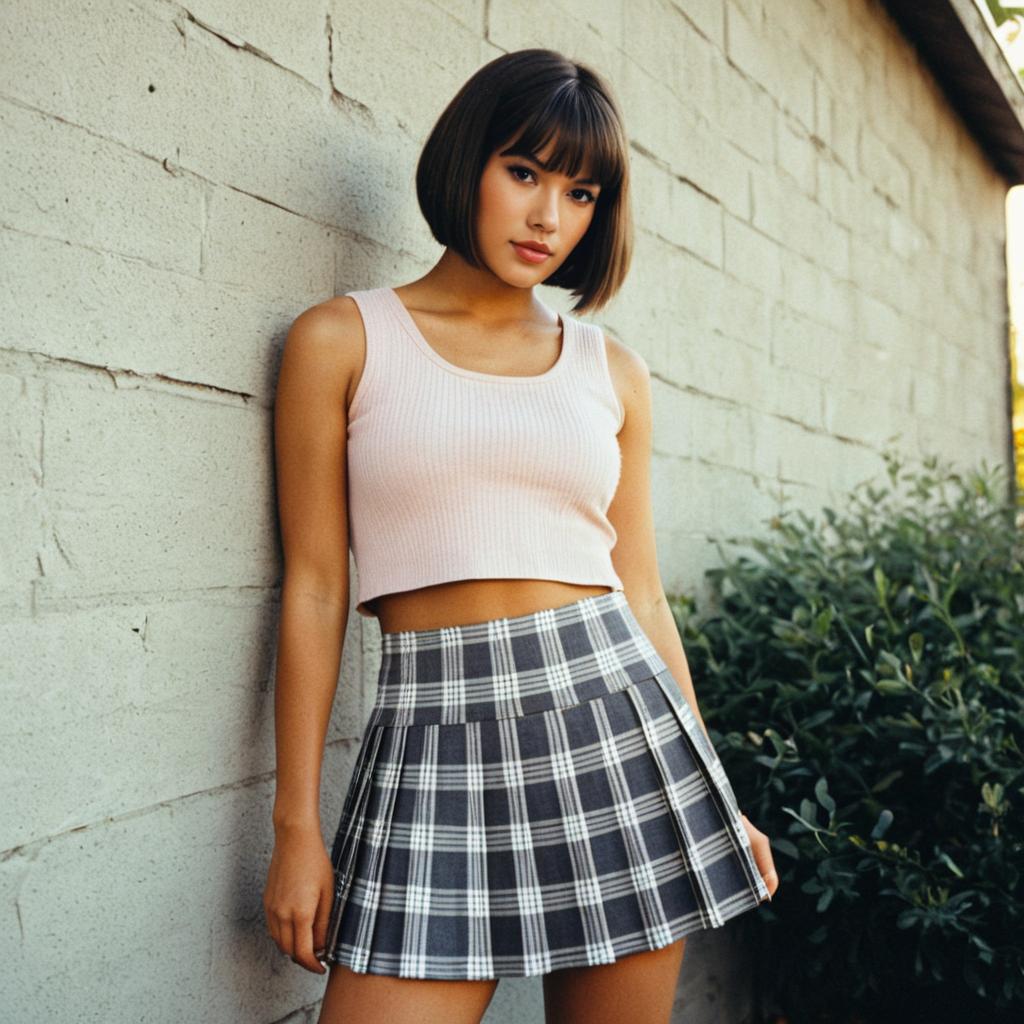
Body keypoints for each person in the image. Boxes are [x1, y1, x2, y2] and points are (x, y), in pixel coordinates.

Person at [264, 47, 779, 1024]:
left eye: (581, 191)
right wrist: (296, 824)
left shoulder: (611, 370)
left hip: (614, 732)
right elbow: (316, 587)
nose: (549, 216)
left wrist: (715, 788)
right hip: (432, 741)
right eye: (525, 171)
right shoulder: (342, 338)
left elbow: (645, 593)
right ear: (469, 161)